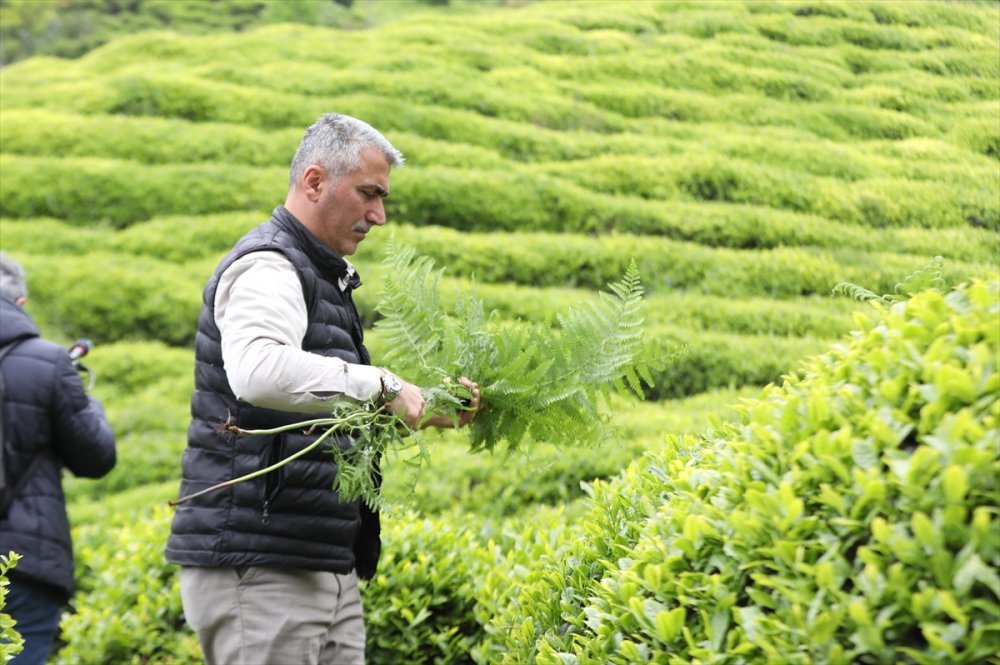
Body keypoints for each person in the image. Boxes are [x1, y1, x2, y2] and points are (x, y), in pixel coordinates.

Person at [165, 112, 480, 665]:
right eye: (368, 194)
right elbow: (259, 370)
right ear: (314, 182)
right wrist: (384, 385)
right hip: (262, 565)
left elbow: (322, 410)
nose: (379, 215)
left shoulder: (321, 276)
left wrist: (424, 409)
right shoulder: (269, 265)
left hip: (316, 560)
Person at [0, 252, 117, 665]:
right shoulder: (48, 363)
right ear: (20, 303)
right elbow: (96, 458)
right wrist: (90, 406)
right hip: (23, 562)